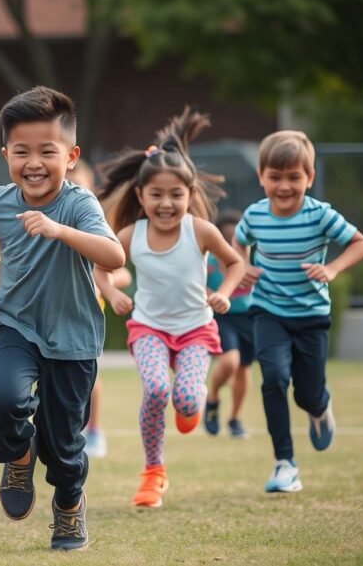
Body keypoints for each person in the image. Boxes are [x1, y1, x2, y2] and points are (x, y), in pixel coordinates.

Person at [0, 86, 125, 551]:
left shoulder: (79, 205)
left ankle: (69, 506)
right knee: (5, 399)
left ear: (70, 156)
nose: (33, 163)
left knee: (62, 445)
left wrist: (59, 230)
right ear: (6, 154)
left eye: (46, 152)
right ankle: (16, 450)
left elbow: (113, 256)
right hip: (15, 323)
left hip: (73, 338)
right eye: (21, 152)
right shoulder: (0, 202)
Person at [95, 108, 245, 509]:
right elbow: (100, 270)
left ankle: (191, 403)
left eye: (176, 194)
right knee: (157, 389)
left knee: (187, 401)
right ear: (140, 197)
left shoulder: (201, 231)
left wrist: (226, 293)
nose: (166, 203)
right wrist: (112, 293)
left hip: (196, 329)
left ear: (190, 195)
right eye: (156, 195)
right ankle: (153, 472)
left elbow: (236, 263)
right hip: (149, 329)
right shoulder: (130, 235)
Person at [233, 130, 363, 493]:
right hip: (268, 312)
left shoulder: (320, 215)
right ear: (262, 177)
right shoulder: (254, 215)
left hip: (311, 316)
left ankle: (320, 408)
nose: (284, 185)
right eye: (275, 177)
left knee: (306, 394)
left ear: (309, 178)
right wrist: (242, 266)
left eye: (294, 177)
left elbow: (361, 243)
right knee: (274, 378)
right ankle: (285, 464)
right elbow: (238, 242)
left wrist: (333, 269)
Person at [67, 160, 131, 459]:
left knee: (90, 376)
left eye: (79, 184)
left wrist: (103, 284)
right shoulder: (45, 221)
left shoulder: (98, 225)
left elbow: (123, 273)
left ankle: (93, 430)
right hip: (52, 311)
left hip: (88, 313)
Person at [204, 209, 255, 439]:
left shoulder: (251, 261)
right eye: (227, 238)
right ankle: (212, 397)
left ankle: (235, 419)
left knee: (244, 369)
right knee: (230, 362)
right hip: (222, 317)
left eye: (236, 239)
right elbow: (195, 284)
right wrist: (213, 295)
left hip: (248, 317)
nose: (231, 244)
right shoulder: (210, 263)